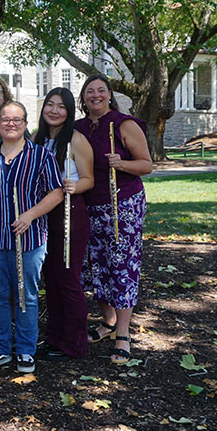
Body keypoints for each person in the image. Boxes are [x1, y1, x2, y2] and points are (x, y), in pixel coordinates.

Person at [0, 101, 63, 374]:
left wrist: (30, 215)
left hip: (30, 240)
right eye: (5, 120)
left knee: (27, 296)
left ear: (25, 124)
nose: (11, 124)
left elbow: (56, 193)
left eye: (17, 120)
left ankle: (25, 350)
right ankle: (0, 348)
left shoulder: (40, 156)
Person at [73, 74, 152, 364]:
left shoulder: (124, 124)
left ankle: (122, 332)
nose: (95, 95)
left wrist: (122, 163)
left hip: (124, 204)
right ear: (83, 98)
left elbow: (147, 165)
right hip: (89, 205)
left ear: (109, 95)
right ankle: (106, 321)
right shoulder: (77, 128)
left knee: (122, 267)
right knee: (96, 265)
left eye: (101, 91)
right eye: (89, 91)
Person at [31, 87, 95, 361]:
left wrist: (75, 186)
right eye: (50, 104)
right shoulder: (36, 139)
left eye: (61, 107)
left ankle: (74, 343)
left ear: (69, 112)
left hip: (70, 212)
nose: (54, 111)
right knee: (52, 278)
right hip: (45, 213)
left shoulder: (76, 140)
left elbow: (89, 179)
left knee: (68, 278)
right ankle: (54, 337)